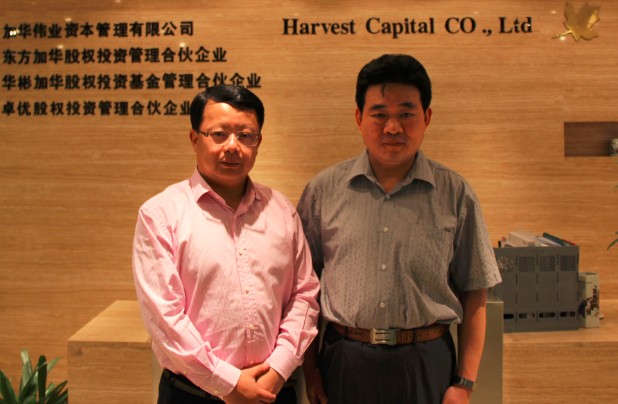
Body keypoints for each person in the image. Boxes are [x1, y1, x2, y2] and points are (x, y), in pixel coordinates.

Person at [297, 54, 502, 404]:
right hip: (344, 360)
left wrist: (465, 382)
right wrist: (311, 369)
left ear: (427, 117)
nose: (393, 127)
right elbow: (303, 290)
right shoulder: (323, 191)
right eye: (379, 114)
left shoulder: (455, 194)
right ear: (359, 118)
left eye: (406, 114)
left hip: (427, 362)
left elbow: (475, 293)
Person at [132, 85, 320, 404]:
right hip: (193, 394)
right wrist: (227, 383)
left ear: (258, 142)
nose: (233, 146)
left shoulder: (281, 210)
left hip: (273, 389)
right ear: (195, 138)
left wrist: (279, 367)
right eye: (219, 134)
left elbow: (304, 294)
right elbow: (165, 317)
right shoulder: (161, 214)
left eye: (245, 135)